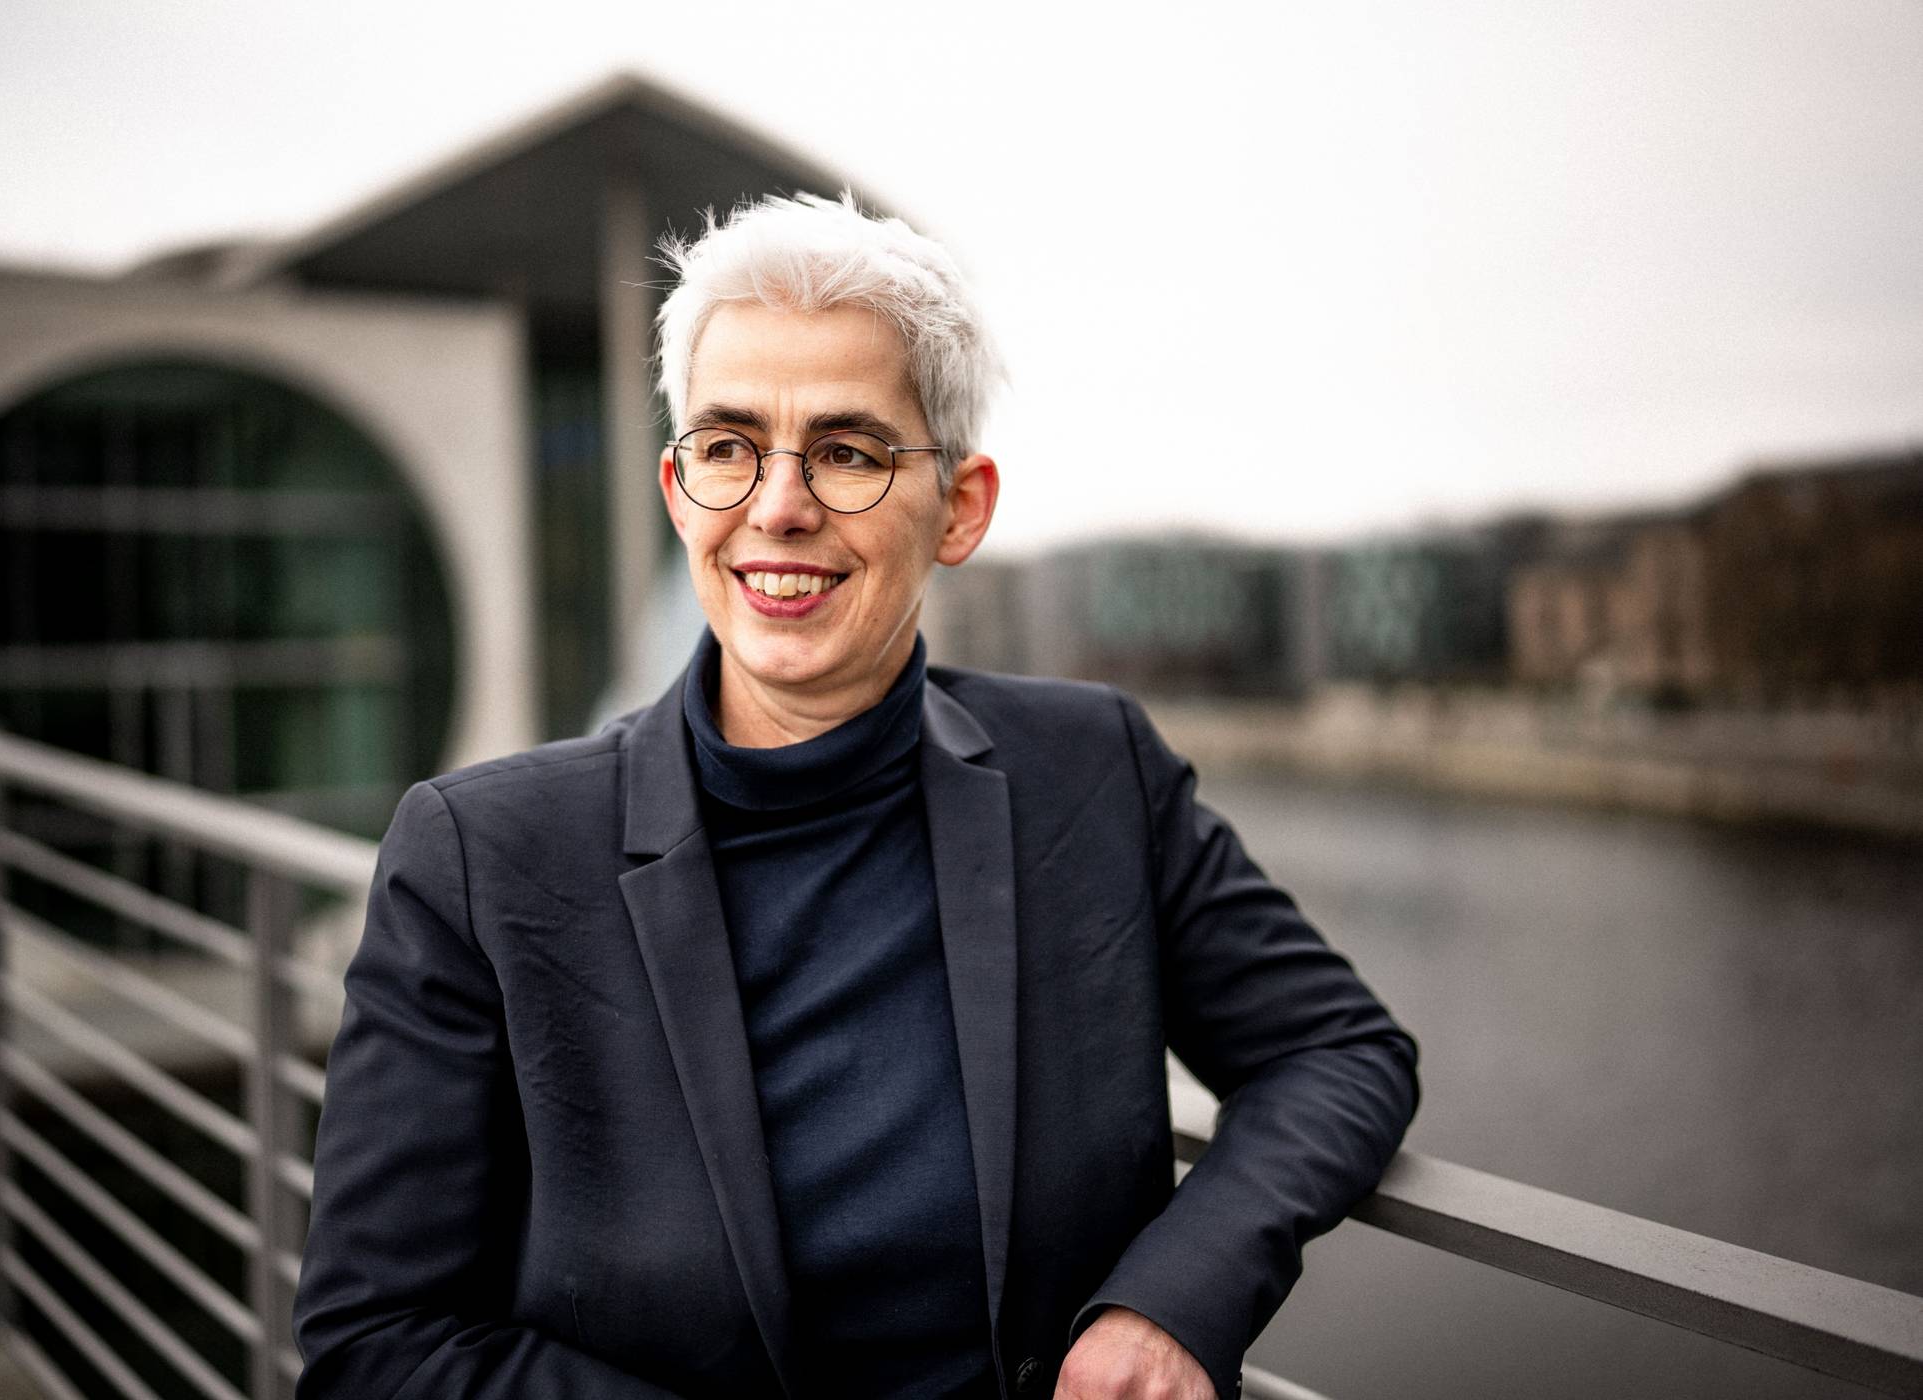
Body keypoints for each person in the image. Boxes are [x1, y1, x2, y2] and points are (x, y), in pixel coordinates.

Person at [293, 193, 1418, 1400]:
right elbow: (375, 1342)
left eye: (847, 449)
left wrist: (1174, 1300)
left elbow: (1336, 1048)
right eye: (728, 445)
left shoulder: (1090, 769)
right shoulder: (482, 853)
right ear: (679, 491)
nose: (777, 504)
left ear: (962, 507)